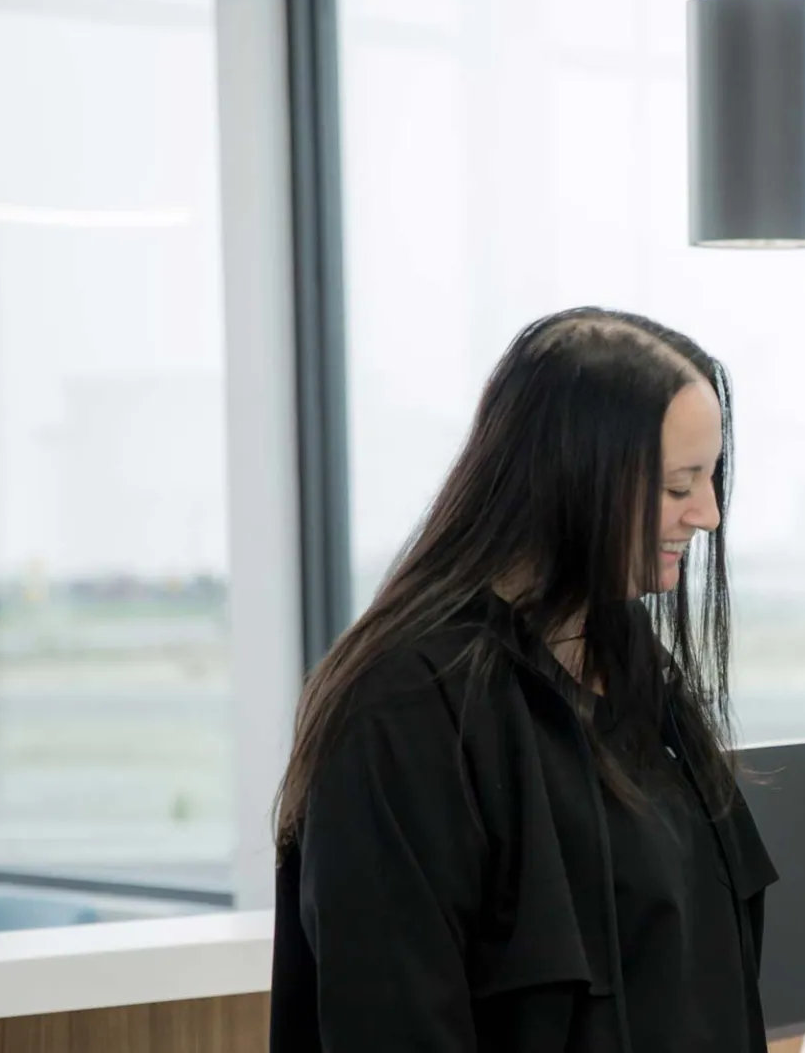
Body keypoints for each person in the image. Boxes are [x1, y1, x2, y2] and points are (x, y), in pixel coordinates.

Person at [268, 307, 777, 1053]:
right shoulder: (404, 707)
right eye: (678, 486)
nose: (707, 515)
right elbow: (395, 1020)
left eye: (710, 479)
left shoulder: (635, 669)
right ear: (572, 476)